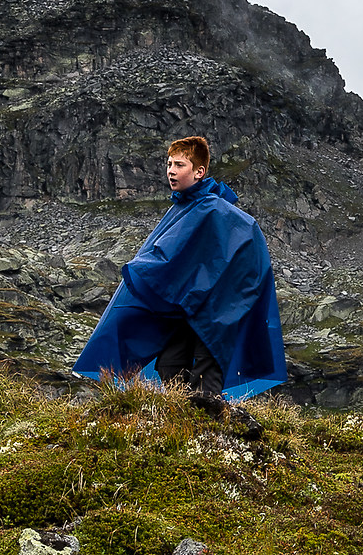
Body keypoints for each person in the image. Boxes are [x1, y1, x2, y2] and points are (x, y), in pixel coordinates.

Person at [73, 135, 286, 420]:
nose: (171, 171)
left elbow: (245, 253)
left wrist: (225, 301)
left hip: (217, 313)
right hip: (188, 309)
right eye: (169, 164)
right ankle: (181, 427)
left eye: (180, 165)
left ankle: (212, 436)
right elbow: (179, 257)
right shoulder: (184, 208)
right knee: (170, 364)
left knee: (206, 373)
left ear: (199, 171)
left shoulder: (215, 210)